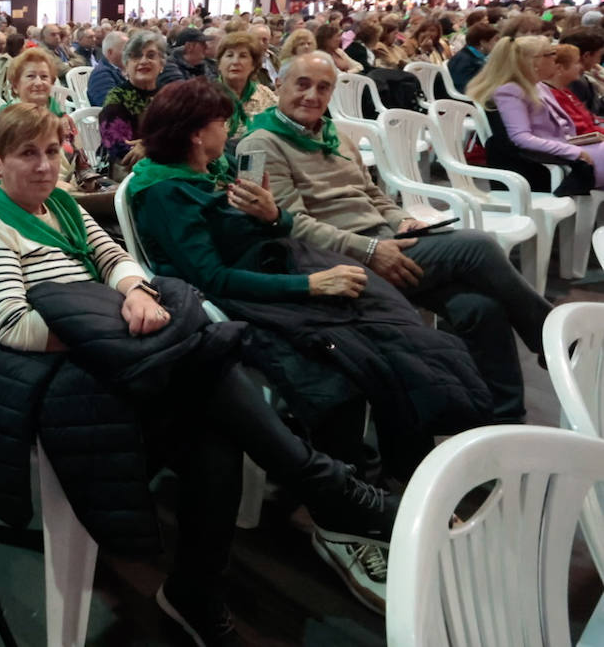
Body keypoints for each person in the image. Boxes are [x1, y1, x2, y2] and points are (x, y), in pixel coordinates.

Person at [0, 102, 403, 632]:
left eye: (52, 151)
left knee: (213, 423)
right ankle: (327, 490)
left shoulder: (63, 208)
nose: (45, 165)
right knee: (206, 369)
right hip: (51, 373)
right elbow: (13, 328)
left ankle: (199, 585)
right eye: (28, 154)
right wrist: (113, 337)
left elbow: (116, 259)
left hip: (108, 346)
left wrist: (134, 295)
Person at [130, 78, 492, 482]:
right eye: (223, 122)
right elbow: (213, 280)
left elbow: (273, 230)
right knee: (367, 355)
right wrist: (313, 285)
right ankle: (373, 484)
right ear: (198, 134)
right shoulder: (166, 193)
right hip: (248, 297)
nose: (230, 131)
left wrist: (271, 214)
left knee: (400, 332)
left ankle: (412, 472)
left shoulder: (213, 169)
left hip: (279, 270)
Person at [238, 52, 553, 425]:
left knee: (479, 308)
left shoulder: (333, 134)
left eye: (323, 88)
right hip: (339, 260)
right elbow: (292, 226)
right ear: (279, 85)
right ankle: (548, 335)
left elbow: (372, 194)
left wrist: (403, 219)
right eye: (302, 84)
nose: (312, 96)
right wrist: (371, 250)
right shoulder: (260, 144)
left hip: (387, 241)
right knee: (479, 246)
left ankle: (502, 419)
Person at [466, 35, 604, 191]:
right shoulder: (511, 91)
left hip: (565, 148)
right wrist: (573, 151)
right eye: (550, 54)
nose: (555, 58)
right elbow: (520, 137)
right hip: (550, 158)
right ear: (534, 62)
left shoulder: (538, 86)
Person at [7, 47, 99, 191]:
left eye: (44, 77)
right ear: (15, 85)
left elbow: (83, 166)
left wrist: (90, 185)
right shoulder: (8, 121)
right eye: (31, 76)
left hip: (70, 190)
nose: (38, 83)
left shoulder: (64, 120)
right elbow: (7, 173)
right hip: (27, 194)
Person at [99, 32, 166, 177]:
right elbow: (120, 149)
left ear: (161, 64)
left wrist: (149, 145)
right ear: (126, 65)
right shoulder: (117, 98)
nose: (143, 61)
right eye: (136, 56)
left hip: (169, 167)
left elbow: (186, 136)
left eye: (151, 55)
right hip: (132, 175)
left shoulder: (169, 96)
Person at [216, 30, 277, 144]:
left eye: (243, 56)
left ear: (254, 65)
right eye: (229, 55)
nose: (235, 61)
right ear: (219, 63)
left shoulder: (265, 95)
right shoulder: (205, 97)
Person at [543, 44, 604, 137]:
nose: (581, 67)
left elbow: (590, 120)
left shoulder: (564, 91)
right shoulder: (555, 96)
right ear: (560, 68)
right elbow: (581, 129)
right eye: (576, 63)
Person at [446, 21, 499, 92]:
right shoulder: (465, 60)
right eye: (495, 40)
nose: (497, 44)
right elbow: (463, 88)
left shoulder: (473, 56)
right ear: (483, 42)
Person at [562, 28, 604, 114]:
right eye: (600, 56)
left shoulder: (581, 78)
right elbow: (588, 117)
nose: (599, 61)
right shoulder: (576, 82)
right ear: (586, 56)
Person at [86, 30, 129, 106]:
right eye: (125, 50)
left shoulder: (122, 70)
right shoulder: (101, 74)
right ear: (110, 52)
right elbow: (110, 105)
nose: (129, 53)